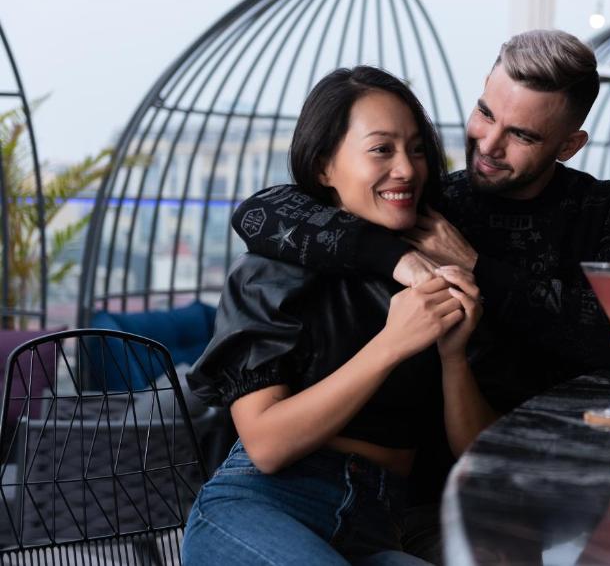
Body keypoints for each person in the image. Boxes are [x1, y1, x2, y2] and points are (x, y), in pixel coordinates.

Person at [229, 30, 610, 528]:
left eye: (522, 135)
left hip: (582, 478)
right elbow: (261, 211)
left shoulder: (608, 208)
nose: (489, 145)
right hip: (438, 490)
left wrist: (477, 267)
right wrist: (396, 257)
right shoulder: (435, 204)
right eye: (485, 113)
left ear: (569, 146)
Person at [182, 67, 495, 566]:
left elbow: (476, 454)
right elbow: (265, 445)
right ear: (324, 165)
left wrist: (453, 356)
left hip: (379, 525)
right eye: (381, 149)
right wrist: (391, 344)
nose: (407, 169)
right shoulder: (268, 272)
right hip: (266, 506)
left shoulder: (432, 271)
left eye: (417, 149)